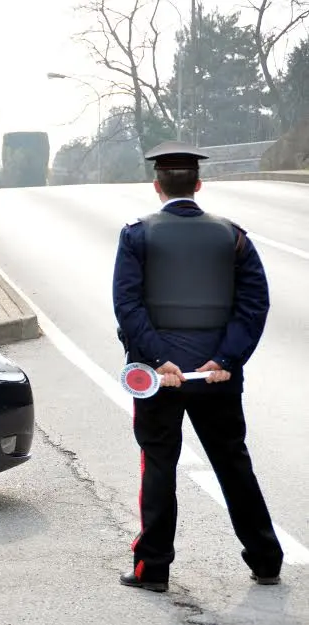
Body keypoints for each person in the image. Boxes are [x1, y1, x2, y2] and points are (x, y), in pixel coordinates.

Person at [112, 141, 284, 593]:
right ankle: (266, 560)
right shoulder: (232, 235)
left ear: (157, 186)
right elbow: (255, 305)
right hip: (216, 377)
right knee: (233, 464)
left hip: (160, 378)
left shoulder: (136, 235)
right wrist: (226, 359)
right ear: (198, 185)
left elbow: (128, 306)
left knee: (159, 465)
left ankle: (153, 569)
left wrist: (158, 359)